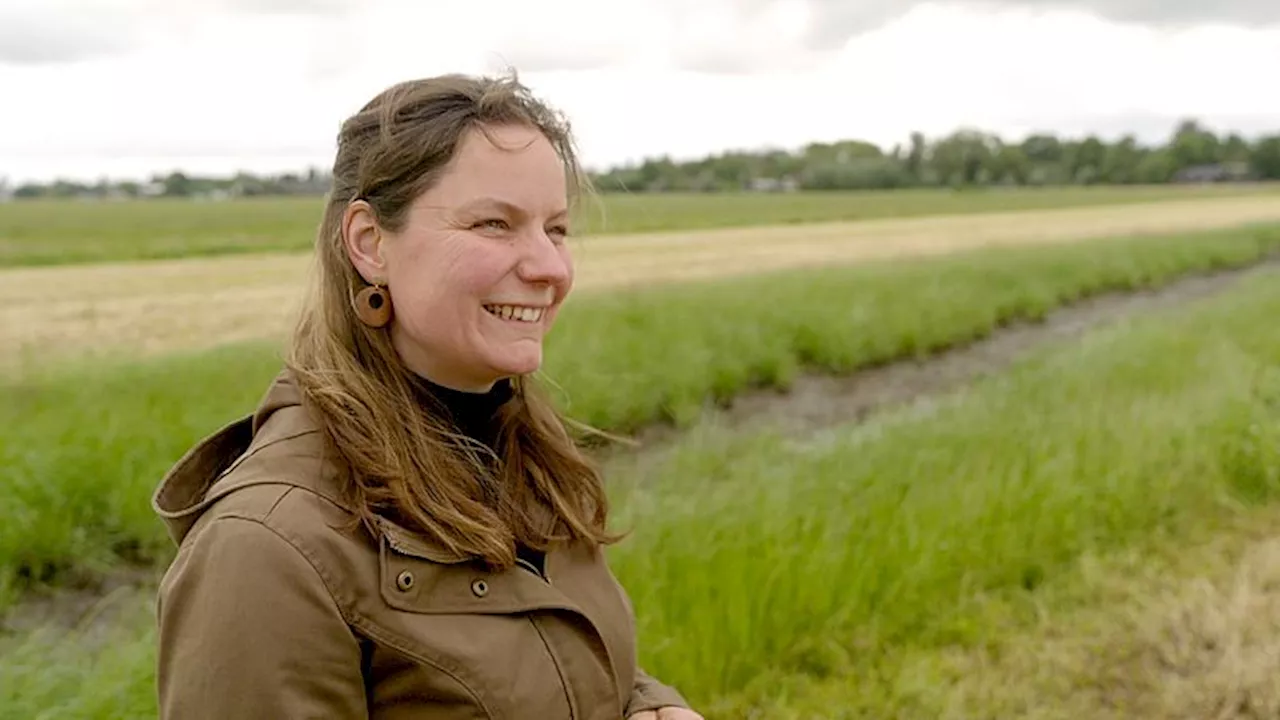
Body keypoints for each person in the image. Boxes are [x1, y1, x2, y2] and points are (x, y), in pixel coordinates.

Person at [150, 72, 702, 720]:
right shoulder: (267, 549)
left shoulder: (525, 455)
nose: (550, 268)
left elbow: (561, 668)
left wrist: (652, 706)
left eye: (556, 230)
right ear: (369, 242)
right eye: (494, 223)